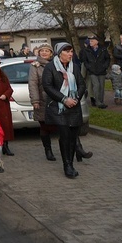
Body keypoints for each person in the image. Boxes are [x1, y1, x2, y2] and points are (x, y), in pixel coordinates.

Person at [42, 42, 86, 178]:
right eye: (67, 52)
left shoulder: (75, 67)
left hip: (74, 106)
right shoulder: (50, 68)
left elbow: (81, 84)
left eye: (71, 51)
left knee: (73, 137)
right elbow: (48, 86)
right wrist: (64, 99)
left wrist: (76, 98)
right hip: (59, 108)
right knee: (65, 136)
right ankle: (67, 165)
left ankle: (71, 163)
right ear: (59, 53)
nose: (70, 54)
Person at [28, 44, 57, 161]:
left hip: (55, 99)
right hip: (42, 99)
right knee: (45, 126)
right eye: (42, 51)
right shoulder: (35, 66)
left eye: (47, 51)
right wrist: (35, 100)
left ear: (51, 53)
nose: (44, 53)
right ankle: (48, 150)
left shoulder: (56, 64)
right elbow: (33, 84)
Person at [80, 35, 110, 108]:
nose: (90, 42)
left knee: (101, 87)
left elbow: (107, 59)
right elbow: (84, 60)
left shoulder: (103, 49)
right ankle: (98, 102)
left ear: (96, 41)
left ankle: (101, 101)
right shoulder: (86, 50)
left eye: (92, 41)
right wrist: (89, 67)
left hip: (102, 71)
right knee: (96, 86)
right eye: (90, 41)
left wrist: (104, 66)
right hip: (92, 71)